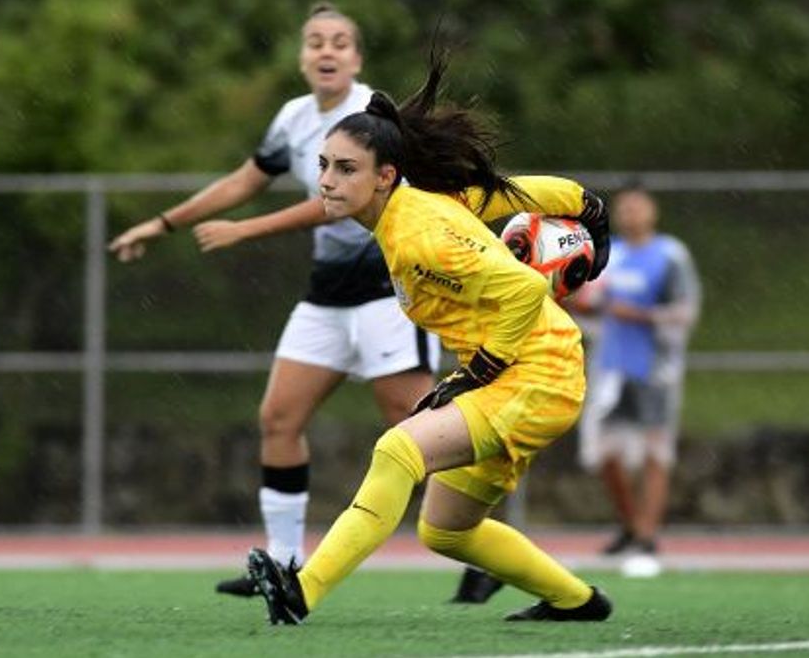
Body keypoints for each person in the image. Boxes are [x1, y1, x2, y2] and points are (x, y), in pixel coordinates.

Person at [244, 51, 615, 625]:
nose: (325, 180)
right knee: (445, 528)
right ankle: (579, 601)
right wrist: (584, 202)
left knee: (398, 450)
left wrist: (478, 373)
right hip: (522, 374)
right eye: (323, 165)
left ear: (385, 176)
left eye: (345, 169)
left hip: (537, 375)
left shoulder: (420, 234)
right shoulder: (418, 208)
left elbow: (523, 290)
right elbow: (504, 193)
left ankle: (302, 591)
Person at [107, 2, 441, 597]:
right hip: (326, 299)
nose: (328, 51)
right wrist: (163, 223)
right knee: (278, 419)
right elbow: (244, 181)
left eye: (340, 41)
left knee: (423, 428)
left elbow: (336, 200)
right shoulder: (293, 117)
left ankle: (479, 549)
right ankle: (282, 564)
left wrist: (245, 230)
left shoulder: (367, 114)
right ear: (302, 57)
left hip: (387, 294)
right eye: (316, 41)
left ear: (357, 58)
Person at [572, 184, 700, 574]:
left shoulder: (670, 255)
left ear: (652, 211)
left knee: (654, 452)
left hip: (655, 370)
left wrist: (642, 317)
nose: (629, 213)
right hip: (610, 367)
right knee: (603, 453)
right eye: (623, 207)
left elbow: (685, 312)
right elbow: (591, 308)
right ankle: (630, 525)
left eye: (636, 206)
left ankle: (647, 536)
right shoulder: (606, 257)